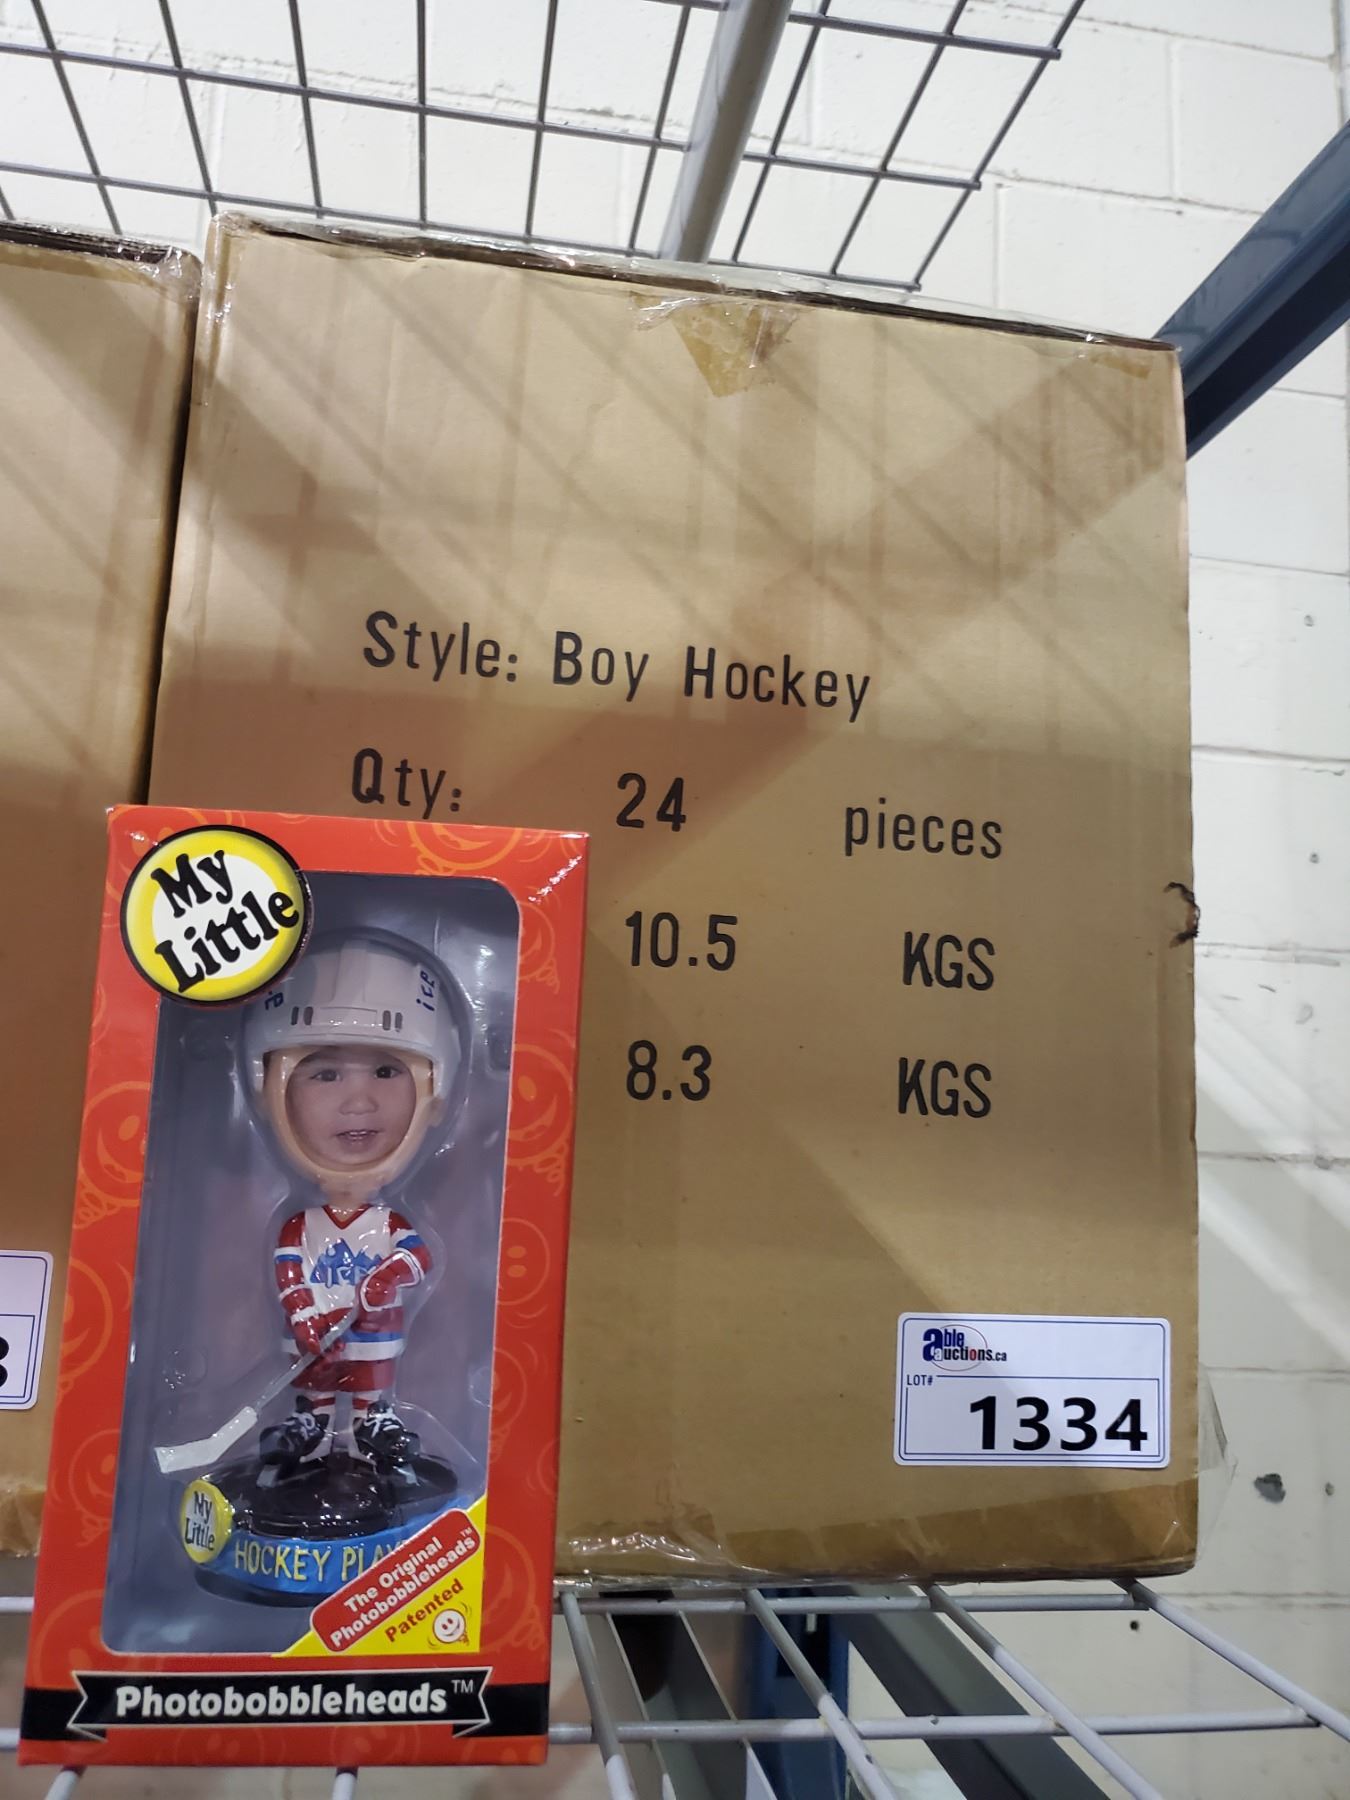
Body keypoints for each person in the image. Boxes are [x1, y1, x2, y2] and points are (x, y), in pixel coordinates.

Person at [241, 935, 457, 1487]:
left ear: (435, 1090)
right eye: (325, 1073)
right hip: (314, 1339)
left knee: (369, 1390)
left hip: (374, 1340)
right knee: (315, 1390)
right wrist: (305, 1317)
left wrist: (388, 1276)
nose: (359, 1102)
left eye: (386, 1071)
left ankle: (371, 1428)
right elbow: (290, 1276)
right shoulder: (299, 1226)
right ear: (268, 1090)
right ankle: (310, 1430)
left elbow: (417, 1256)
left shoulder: (388, 1224)